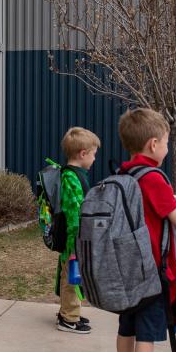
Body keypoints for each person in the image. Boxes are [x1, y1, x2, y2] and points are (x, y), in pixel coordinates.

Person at [109, 108, 176, 352]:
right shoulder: (153, 178)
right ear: (153, 144)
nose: (167, 149)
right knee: (148, 332)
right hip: (151, 270)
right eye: (167, 143)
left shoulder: (122, 173)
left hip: (125, 267)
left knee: (126, 324)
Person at [55, 127, 100, 334]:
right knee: (72, 278)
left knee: (73, 277)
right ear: (83, 153)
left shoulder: (75, 175)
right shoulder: (70, 178)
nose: (94, 159)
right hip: (74, 238)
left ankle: (69, 312)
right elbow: (73, 212)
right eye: (93, 155)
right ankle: (68, 319)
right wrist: (78, 241)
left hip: (75, 238)